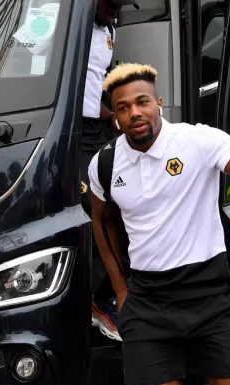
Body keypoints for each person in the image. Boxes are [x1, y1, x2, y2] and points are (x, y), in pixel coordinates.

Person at [88, 63, 230, 385]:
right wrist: (120, 289)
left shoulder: (197, 140)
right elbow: (101, 219)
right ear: (115, 117)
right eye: (123, 107)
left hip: (208, 296)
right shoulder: (104, 163)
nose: (135, 113)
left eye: (142, 102)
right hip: (148, 305)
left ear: (158, 102)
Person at [81, 0, 139, 342]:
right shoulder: (71, 25)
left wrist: (115, 112)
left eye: (120, 6)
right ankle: (94, 298)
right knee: (95, 211)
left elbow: (99, 82)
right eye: (111, 4)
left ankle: (111, 292)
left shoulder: (109, 30)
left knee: (122, 204)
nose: (115, 11)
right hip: (77, 129)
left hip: (100, 130)